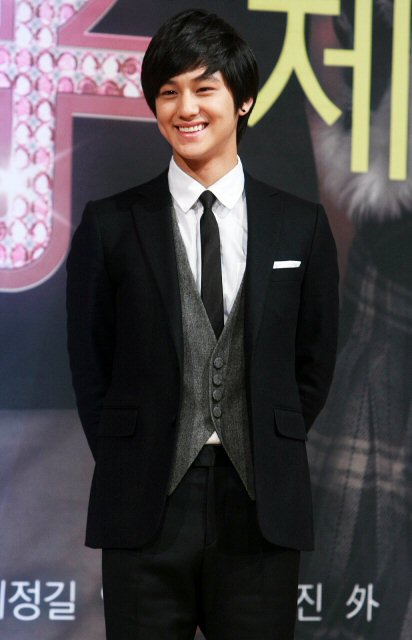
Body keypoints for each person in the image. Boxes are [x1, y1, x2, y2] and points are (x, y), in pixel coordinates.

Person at [66, 9, 339, 640]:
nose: (185, 108)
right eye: (168, 92)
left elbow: (314, 360)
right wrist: (135, 453)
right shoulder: (111, 225)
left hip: (260, 507)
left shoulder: (300, 225)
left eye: (203, 88)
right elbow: (91, 365)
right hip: (145, 506)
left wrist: (263, 439)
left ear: (243, 101)